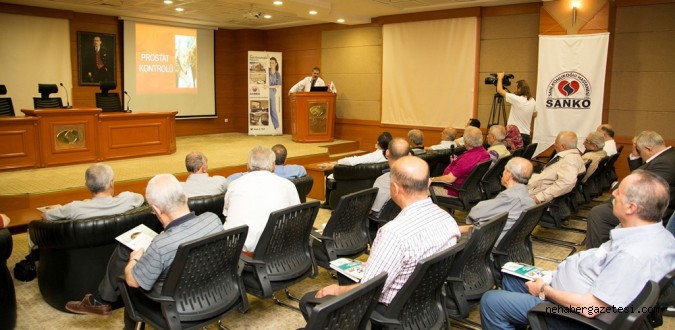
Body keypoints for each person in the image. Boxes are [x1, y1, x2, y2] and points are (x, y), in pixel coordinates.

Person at [480, 170, 675, 329]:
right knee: (512, 278)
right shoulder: (658, 235)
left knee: (491, 301)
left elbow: (591, 309)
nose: (613, 192)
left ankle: (533, 317)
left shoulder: (632, 256)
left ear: (631, 208)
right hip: (579, 294)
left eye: (619, 191)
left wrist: (545, 290)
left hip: (576, 317)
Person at [299, 156, 461, 320]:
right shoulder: (448, 220)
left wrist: (335, 290)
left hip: (390, 310)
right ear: (428, 184)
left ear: (395, 189)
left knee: (310, 301)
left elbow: (368, 290)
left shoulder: (393, 233)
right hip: (426, 304)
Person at [64, 173, 224, 329]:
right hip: (215, 294)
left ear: (156, 209)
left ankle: (112, 312)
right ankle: (99, 300)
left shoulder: (161, 245)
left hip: (177, 306)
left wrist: (134, 259)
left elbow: (133, 280)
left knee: (130, 285)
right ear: (185, 197)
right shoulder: (213, 219)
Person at [586, 130, 675, 249]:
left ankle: (599, 257)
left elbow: (639, 184)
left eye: (640, 150)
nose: (640, 153)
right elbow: (640, 175)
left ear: (649, 148)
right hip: (647, 202)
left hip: (651, 210)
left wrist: (617, 196)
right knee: (605, 207)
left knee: (599, 213)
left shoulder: (665, 163)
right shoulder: (667, 156)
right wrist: (635, 155)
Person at [222, 146, 300, 254]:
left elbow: (226, 214)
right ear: (274, 166)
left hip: (239, 254)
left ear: (248, 166)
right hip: (280, 253)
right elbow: (297, 219)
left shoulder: (234, 185)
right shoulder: (288, 185)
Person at [460, 157, 535, 245]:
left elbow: (475, 213)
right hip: (510, 243)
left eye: (504, 170)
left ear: (508, 175)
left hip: (489, 243)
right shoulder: (526, 197)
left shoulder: (510, 197)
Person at [42, 163, 144, 221]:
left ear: (87, 186)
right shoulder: (128, 198)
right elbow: (141, 198)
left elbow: (46, 216)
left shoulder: (74, 208)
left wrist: (59, 208)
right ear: (111, 184)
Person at [527, 131, 585, 205]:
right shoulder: (575, 156)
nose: (554, 144)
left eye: (556, 142)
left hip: (537, 194)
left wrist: (540, 197)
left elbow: (566, 183)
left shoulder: (570, 160)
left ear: (563, 146)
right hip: (537, 188)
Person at [432, 126, 490, 197]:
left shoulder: (466, 160)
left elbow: (449, 179)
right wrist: (454, 163)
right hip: (472, 190)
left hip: (454, 190)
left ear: (466, 141)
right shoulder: (485, 153)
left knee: (423, 190)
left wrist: (432, 179)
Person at [371, 138, 410, 214]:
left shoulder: (381, 181)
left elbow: (375, 209)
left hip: (385, 223)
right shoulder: (416, 177)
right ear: (409, 155)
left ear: (387, 153)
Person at [497, 72, 536, 146]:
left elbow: (499, 90)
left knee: (513, 157)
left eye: (515, 87)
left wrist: (500, 78)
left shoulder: (517, 100)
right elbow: (534, 114)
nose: (514, 89)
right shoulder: (532, 100)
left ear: (520, 89)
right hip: (526, 136)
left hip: (515, 135)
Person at [268, 57, 282, 129]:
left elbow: (278, 85)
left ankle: (276, 126)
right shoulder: (267, 71)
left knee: (273, 109)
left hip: (272, 93)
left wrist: (269, 87)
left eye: (273, 63)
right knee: (265, 108)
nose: (271, 64)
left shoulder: (277, 74)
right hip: (264, 92)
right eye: (270, 63)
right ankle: (266, 127)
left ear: (276, 63)